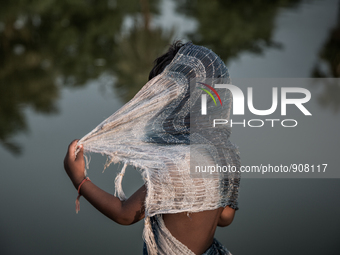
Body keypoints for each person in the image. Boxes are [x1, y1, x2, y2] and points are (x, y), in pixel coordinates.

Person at [64, 41, 239, 255]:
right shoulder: (225, 156)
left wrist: (79, 179)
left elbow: (125, 214)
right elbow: (225, 218)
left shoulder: (179, 164)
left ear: (174, 106)